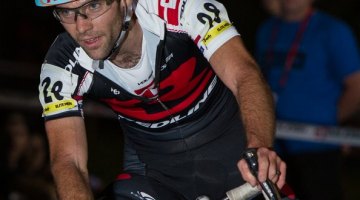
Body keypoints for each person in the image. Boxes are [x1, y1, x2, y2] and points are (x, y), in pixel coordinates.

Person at [35, 0, 287, 199]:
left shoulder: (181, 8)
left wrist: (260, 146)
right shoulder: (61, 65)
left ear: (125, 2)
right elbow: (69, 162)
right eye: (66, 13)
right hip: (155, 172)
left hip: (235, 150)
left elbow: (245, 75)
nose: (81, 26)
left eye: (93, 6)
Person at [255, 0, 360, 199]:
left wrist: (331, 123)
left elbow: (356, 86)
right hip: (274, 147)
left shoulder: (333, 30)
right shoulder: (267, 30)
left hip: (318, 149)